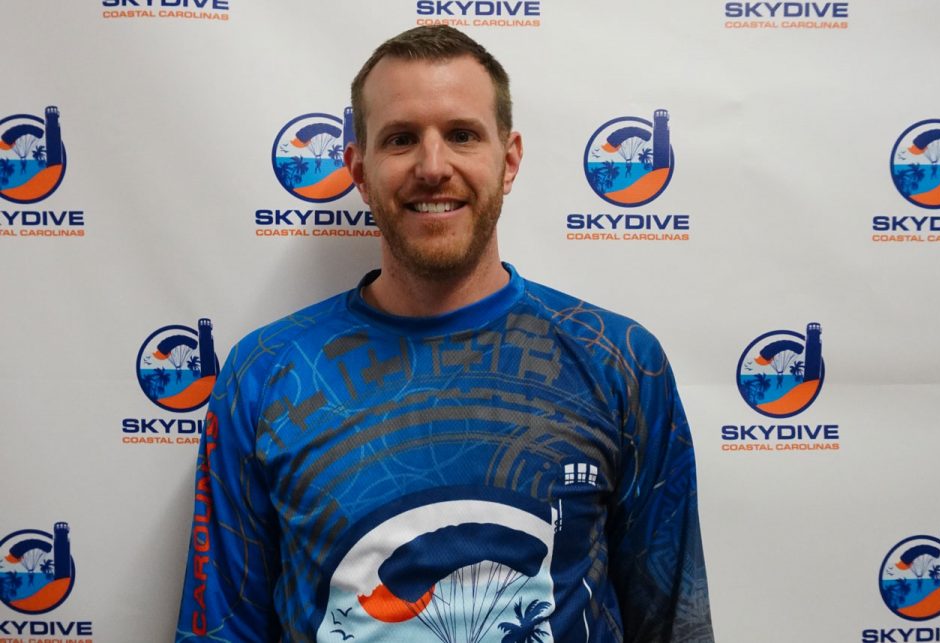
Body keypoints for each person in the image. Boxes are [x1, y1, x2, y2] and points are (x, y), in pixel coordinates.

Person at [175, 25, 714, 643]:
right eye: (402, 139)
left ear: (507, 160)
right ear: (359, 167)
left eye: (461, 135)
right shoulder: (265, 374)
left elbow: (673, 624)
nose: (433, 168)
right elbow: (221, 628)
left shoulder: (618, 361)